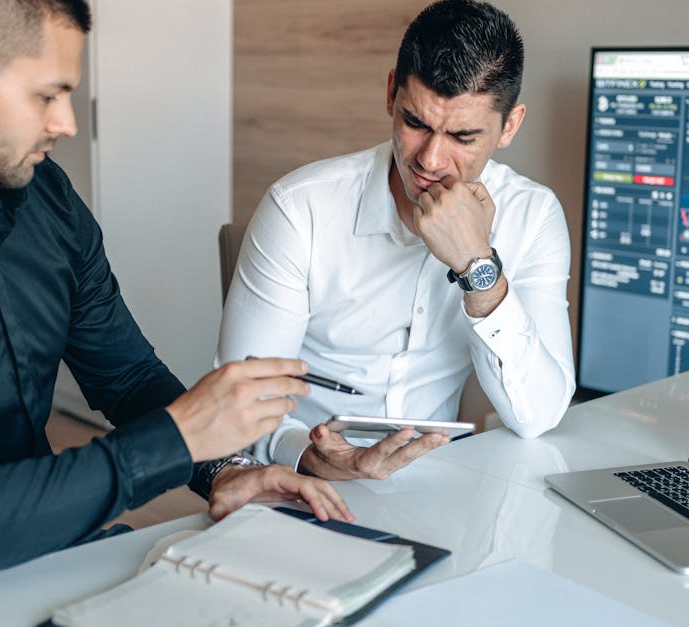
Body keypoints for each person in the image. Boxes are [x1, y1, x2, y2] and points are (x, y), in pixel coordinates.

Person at [0, 1, 349, 623]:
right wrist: (179, 437)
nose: (67, 122)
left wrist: (221, 470)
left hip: (39, 553)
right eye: (48, 95)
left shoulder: (45, 198)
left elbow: (124, 375)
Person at [218, 0, 576, 480]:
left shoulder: (533, 216)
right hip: (302, 476)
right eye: (416, 123)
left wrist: (478, 269)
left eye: (463, 137)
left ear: (509, 126)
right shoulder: (300, 208)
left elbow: (538, 415)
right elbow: (237, 403)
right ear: (391, 93)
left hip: (444, 482)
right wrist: (309, 454)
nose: (430, 159)